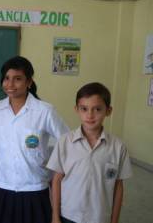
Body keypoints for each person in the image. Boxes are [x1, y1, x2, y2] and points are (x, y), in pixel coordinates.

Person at [0, 56, 69, 223]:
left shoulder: (44, 111)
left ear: (29, 82)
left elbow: (66, 140)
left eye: (18, 79)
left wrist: (52, 167)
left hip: (34, 187)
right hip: (3, 185)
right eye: (7, 78)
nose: (10, 84)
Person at [47, 82, 133, 223]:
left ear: (108, 111)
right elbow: (56, 180)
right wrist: (55, 216)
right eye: (84, 109)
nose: (90, 115)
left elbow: (118, 186)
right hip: (68, 215)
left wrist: (114, 220)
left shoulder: (118, 147)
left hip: (100, 217)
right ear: (77, 109)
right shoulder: (65, 142)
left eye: (97, 109)